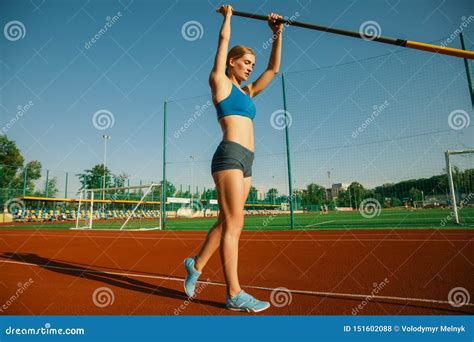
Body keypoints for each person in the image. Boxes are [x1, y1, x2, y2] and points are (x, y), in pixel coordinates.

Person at [183, 4, 282, 313]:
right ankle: (234, 294)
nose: (251, 67)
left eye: (252, 63)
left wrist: (277, 34)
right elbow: (223, 41)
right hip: (228, 156)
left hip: (248, 160)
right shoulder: (220, 83)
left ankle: (195, 264)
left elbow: (273, 70)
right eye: (246, 62)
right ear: (232, 63)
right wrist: (228, 16)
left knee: (227, 220)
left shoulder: (248, 92)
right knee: (235, 224)